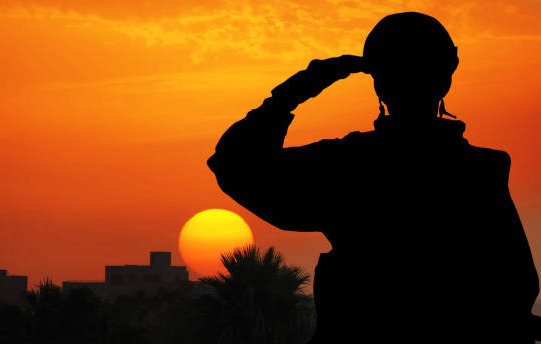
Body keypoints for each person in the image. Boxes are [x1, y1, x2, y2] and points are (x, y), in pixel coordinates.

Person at [206, 12, 539, 343]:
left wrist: (291, 95)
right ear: (447, 73)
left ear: (378, 82)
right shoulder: (480, 171)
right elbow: (517, 288)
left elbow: (234, 164)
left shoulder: (346, 166)